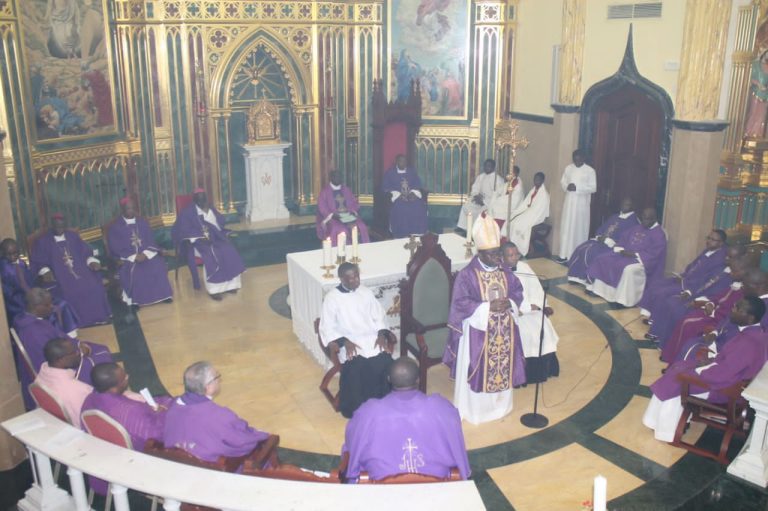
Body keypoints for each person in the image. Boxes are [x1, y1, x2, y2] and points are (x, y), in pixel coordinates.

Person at [643, 297, 768, 442]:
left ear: (750, 318)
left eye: (738, 309)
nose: (732, 310)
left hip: (724, 390)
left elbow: (724, 373)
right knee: (680, 367)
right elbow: (730, 363)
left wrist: (700, 370)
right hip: (728, 380)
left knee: (678, 377)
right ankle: (658, 420)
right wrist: (708, 362)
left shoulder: (748, 342)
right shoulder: (756, 333)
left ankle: (666, 431)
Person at [442, 215, 525, 424]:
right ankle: (476, 411)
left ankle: (501, 407)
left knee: (502, 366)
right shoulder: (467, 275)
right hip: (477, 334)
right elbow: (459, 304)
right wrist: (487, 308)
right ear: (480, 253)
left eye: (498, 253)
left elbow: (517, 292)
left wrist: (510, 304)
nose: (496, 258)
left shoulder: (506, 273)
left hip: (504, 332)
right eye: (491, 254)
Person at [342, 358, 470, 482]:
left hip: (382, 484)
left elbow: (352, 442)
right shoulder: (442, 408)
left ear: (389, 380)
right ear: (418, 380)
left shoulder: (368, 412)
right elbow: (456, 443)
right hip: (435, 483)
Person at [13, 288, 112, 410]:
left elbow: (57, 338)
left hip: (63, 352)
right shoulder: (34, 333)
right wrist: (79, 351)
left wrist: (78, 343)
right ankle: (102, 394)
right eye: (47, 305)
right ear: (36, 306)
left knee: (98, 348)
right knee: (101, 355)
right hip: (57, 369)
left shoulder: (26, 319)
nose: (52, 307)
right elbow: (49, 359)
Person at [319, 262, 396, 418]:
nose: (355, 281)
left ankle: (386, 404)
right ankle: (358, 411)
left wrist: (381, 334)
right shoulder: (332, 298)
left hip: (371, 337)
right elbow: (327, 327)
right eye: (350, 278)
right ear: (341, 278)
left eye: (357, 277)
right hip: (348, 340)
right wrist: (343, 342)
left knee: (385, 362)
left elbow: (379, 316)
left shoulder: (365, 292)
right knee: (356, 368)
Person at [164, 361, 270, 463]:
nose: (219, 380)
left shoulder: (173, 406)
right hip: (212, 469)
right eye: (216, 377)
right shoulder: (220, 415)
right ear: (208, 387)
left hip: (181, 463)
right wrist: (262, 435)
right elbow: (243, 441)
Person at [661, 254, 751, 363]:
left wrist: (713, 312)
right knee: (685, 320)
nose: (731, 273)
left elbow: (731, 311)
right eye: (731, 270)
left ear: (745, 271)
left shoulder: (746, 291)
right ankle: (670, 356)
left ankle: (676, 362)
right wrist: (711, 304)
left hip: (718, 320)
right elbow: (719, 297)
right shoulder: (735, 283)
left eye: (735, 271)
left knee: (689, 325)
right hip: (712, 311)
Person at [642, 234, 732, 344]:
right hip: (688, 280)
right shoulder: (708, 251)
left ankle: (660, 332)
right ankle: (655, 320)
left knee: (665, 296)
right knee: (657, 284)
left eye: (713, 240)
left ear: (721, 243)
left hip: (695, 289)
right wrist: (684, 275)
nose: (709, 241)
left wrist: (688, 288)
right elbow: (693, 266)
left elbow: (706, 282)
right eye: (708, 238)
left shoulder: (720, 262)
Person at [30, 213, 111, 327]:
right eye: (57, 227)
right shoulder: (43, 241)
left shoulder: (72, 236)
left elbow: (85, 252)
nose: (59, 229)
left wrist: (91, 261)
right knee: (69, 292)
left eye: (62, 226)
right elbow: (38, 261)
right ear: (51, 226)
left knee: (93, 287)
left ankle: (98, 317)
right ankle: (77, 322)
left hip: (81, 271)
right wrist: (45, 271)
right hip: (59, 275)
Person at [501, 242, 560, 383]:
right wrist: (526, 308)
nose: (515, 258)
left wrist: (542, 305)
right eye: (511, 255)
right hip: (514, 313)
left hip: (531, 309)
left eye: (517, 254)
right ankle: (523, 374)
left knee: (543, 327)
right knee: (526, 333)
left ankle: (542, 370)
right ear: (502, 258)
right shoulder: (499, 273)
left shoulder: (524, 267)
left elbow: (536, 289)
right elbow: (503, 300)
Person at [172, 188, 245, 300]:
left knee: (228, 248)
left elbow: (220, 223)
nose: (202, 203)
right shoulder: (187, 212)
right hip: (197, 243)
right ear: (195, 200)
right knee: (211, 253)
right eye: (199, 200)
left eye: (204, 200)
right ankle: (214, 290)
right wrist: (199, 237)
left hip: (215, 238)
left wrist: (208, 213)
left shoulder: (209, 208)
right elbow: (182, 230)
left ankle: (231, 285)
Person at [585, 208, 667, 307]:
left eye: (648, 219)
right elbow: (623, 239)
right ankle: (598, 290)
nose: (645, 221)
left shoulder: (659, 234)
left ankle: (622, 300)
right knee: (602, 259)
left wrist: (634, 254)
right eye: (643, 218)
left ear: (655, 219)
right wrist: (621, 249)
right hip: (625, 254)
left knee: (628, 270)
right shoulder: (637, 227)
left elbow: (654, 255)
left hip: (641, 261)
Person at [81, 363, 171, 452]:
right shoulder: (133, 411)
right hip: (136, 454)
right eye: (125, 378)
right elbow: (159, 436)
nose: (128, 376)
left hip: (106, 448)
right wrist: (161, 413)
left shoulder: (89, 400)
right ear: (113, 389)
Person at [0, 238, 79, 335]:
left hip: (32, 295)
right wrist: (29, 298)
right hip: (18, 303)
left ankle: (68, 333)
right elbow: (8, 293)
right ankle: (53, 336)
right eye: (10, 254)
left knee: (62, 303)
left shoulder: (21, 263)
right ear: (3, 253)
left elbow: (29, 281)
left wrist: (38, 280)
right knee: (49, 310)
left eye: (16, 253)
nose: (13, 256)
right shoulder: (3, 269)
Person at [107, 198, 173, 307]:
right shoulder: (115, 228)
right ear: (122, 209)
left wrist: (145, 254)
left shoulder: (142, 223)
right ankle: (135, 300)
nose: (131, 211)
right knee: (135, 271)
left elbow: (151, 241)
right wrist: (134, 256)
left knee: (157, 264)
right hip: (129, 259)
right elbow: (115, 248)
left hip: (146, 255)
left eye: (133, 208)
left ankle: (163, 295)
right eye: (128, 208)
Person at [567, 198, 638, 285]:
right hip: (600, 242)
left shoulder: (633, 222)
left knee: (593, 253)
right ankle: (576, 277)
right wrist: (600, 236)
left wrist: (608, 241)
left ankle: (589, 280)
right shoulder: (615, 216)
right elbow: (602, 228)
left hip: (611, 247)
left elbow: (626, 240)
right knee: (581, 249)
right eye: (622, 204)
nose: (623, 206)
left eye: (627, 205)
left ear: (632, 207)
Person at [34, 338, 93, 424]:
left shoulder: (42, 373)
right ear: (60, 360)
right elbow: (84, 423)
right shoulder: (79, 390)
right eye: (73, 353)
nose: (78, 353)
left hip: (51, 420)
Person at [557, 150, 597, 261]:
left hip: (581, 205)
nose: (576, 161)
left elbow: (593, 188)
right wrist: (567, 186)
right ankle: (563, 254)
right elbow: (563, 182)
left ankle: (576, 255)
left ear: (583, 158)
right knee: (566, 227)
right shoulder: (568, 168)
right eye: (574, 159)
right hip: (569, 203)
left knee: (578, 228)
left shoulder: (590, 171)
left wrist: (578, 188)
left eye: (579, 159)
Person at [316, 170, 370, 246]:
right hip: (333, 217)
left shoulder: (346, 189)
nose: (338, 178)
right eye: (335, 176)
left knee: (361, 226)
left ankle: (362, 248)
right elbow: (322, 207)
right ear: (330, 178)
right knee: (339, 229)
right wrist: (332, 215)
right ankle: (340, 251)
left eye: (340, 176)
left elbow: (354, 202)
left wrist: (352, 211)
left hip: (347, 215)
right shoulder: (324, 192)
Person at [502, 171, 550, 257]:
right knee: (511, 218)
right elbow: (526, 203)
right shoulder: (533, 190)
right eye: (535, 179)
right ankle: (509, 245)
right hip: (529, 212)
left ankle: (518, 249)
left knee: (518, 224)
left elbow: (539, 210)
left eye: (538, 180)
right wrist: (522, 210)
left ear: (543, 181)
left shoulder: (544, 194)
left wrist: (527, 212)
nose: (536, 181)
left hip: (537, 216)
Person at [382, 154, 428, 238]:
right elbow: (386, 187)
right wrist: (399, 195)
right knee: (401, 208)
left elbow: (417, 184)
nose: (403, 163)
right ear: (396, 162)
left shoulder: (412, 172)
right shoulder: (390, 173)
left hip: (411, 196)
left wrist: (413, 193)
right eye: (400, 161)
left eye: (404, 161)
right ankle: (402, 233)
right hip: (398, 197)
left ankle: (416, 232)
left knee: (418, 206)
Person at [456, 159, 505, 231]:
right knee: (466, 206)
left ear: (493, 167)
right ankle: (463, 227)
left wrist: (484, 202)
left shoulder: (498, 180)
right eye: (485, 166)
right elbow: (475, 188)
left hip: (489, 203)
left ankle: (472, 230)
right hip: (479, 199)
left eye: (489, 166)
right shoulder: (481, 176)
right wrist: (476, 196)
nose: (486, 168)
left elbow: (498, 196)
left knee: (479, 212)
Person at [745, 50, 768, 139]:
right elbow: (749, 77)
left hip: (765, 94)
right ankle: (748, 132)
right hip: (756, 92)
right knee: (753, 112)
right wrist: (758, 84)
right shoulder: (756, 65)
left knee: (762, 115)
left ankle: (757, 134)